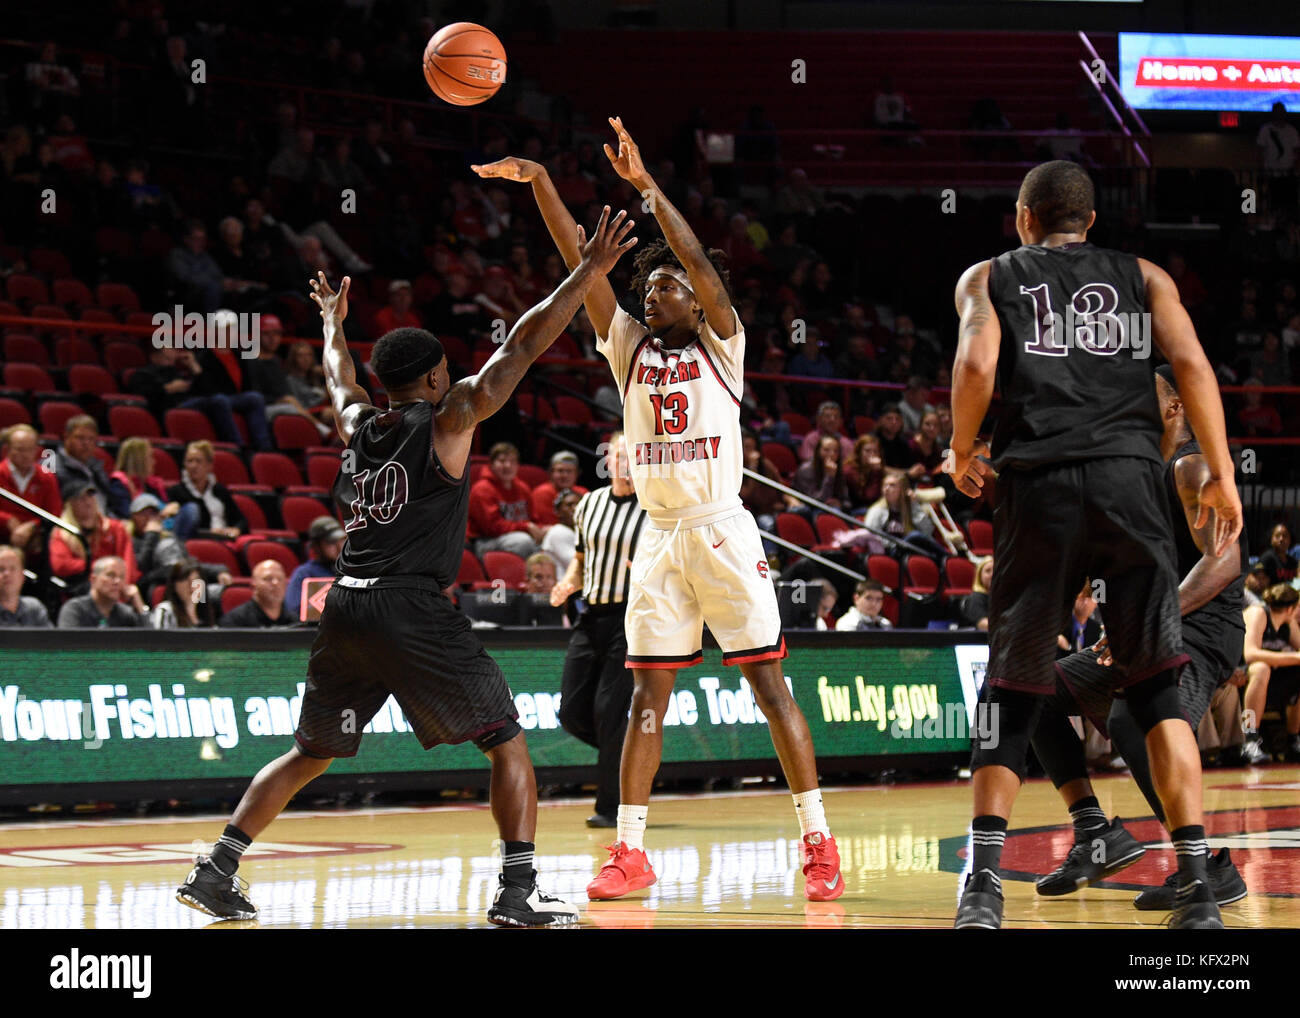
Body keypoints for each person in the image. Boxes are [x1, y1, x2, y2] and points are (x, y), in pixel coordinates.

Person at [178, 206, 635, 928]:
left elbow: (336, 379)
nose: (457, 378)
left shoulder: (360, 425)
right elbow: (520, 344)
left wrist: (332, 322)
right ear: (431, 380)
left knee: (309, 752)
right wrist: (590, 270)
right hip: (409, 607)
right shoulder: (449, 417)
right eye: (448, 371)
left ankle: (217, 869)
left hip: (347, 605)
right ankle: (518, 894)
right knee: (506, 740)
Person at [475, 120, 843, 904]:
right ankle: (630, 851)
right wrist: (541, 178)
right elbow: (584, 260)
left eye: (664, 285)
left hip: (719, 526)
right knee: (647, 695)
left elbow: (706, 266)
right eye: (647, 288)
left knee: (771, 689)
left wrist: (646, 187)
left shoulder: (724, 342)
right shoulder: (627, 347)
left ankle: (817, 838)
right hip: (659, 539)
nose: (652, 292)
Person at [944, 160, 1242, 930]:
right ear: (1090, 223)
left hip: (1038, 485)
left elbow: (977, 362)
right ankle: (1199, 885)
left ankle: (982, 888)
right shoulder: (1144, 276)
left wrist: (960, 446)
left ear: (1022, 217)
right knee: (1154, 689)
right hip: (1131, 486)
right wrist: (1225, 475)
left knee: (1011, 688)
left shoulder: (990, 276)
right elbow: (1194, 366)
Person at [1028, 365, 1249, 910]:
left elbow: (1224, 561)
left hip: (1201, 632)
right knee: (1024, 689)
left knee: (1137, 719)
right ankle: (1094, 833)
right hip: (1148, 631)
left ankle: (1203, 871)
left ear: (1173, 408)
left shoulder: (1191, 465)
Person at [550, 433, 646, 828]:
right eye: (616, 454)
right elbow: (580, 560)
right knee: (571, 712)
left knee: (609, 712)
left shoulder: (655, 509)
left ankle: (610, 807)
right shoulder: (588, 503)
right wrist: (568, 582)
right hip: (591, 617)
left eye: (630, 455)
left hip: (631, 618)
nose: (622, 461)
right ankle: (629, 755)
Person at [1239, 584, 1300, 765]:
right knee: (1261, 668)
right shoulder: (1258, 614)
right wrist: (1293, 657)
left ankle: (1293, 740)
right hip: (1238, 673)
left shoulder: (1288, 623)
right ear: (1291, 608)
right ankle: (1249, 740)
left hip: (1269, 681)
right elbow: (1250, 654)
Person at [49, 481, 140, 590]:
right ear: (70, 504)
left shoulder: (114, 528)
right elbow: (60, 565)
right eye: (81, 498)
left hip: (117, 586)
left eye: (90, 496)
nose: (88, 502)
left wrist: (123, 586)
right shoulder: (63, 533)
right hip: (82, 588)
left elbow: (128, 562)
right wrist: (99, 567)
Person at [468, 442, 542, 559]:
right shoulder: (482, 489)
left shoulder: (522, 487)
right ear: (491, 465)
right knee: (524, 542)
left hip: (517, 535)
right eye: (502, 461)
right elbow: (492, 528)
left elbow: (533, 519)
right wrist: (526, 527)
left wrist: (543, 530)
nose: (507, 465)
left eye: (512, 462)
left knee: (552, 538)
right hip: (485, 541)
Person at [166, 441, 247, 541]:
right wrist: (211, 532)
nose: (193, 466)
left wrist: (236, 529)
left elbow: (241, 520)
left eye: (198, 461)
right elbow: (181, 527)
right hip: (199, 541)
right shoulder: (176, 492)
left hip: (224, 540)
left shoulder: (220, 490)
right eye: (189, 461)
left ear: (209, 465)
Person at [0, 423, 62, 551]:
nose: (26, 455)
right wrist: (7, 520)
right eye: (20, 449)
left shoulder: (46, 477)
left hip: (35, 539)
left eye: (30, 449)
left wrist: (33, 525)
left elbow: (54, 512)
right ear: (7, 450)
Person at [57, 556, 147, 627]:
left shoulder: (125, 614)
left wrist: (139, 605)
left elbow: (150, 645)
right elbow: (68, 647)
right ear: (93, 579)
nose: (117, 581)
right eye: (111, 575)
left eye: (122, 577)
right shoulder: (74, 609)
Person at [53, 416, 114, 517]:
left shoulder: (96, 467)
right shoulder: (51, 467)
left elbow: (109, 503)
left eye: (91, 439)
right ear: (66, 437)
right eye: (80, 438)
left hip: (103, 525)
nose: (86, 443)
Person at [286, 516, 342, 616]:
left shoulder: (352, 570)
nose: (339, 547)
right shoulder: (304, 573)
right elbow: (293, 611)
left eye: (341, 540)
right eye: (331, 543)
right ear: (317, 546)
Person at [218, 559, 294, 628]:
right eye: (268, 579)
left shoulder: (295, 621)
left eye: (280, 579)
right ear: (253, 585)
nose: (275, 583)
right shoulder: (234, 621)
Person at [107, 437, 171, 519]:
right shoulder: (118, 484)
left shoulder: (151, 484)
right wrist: (162, 513)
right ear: (139, 460)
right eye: (150, 457)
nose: (154, 462)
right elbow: (128, 515)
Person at [153, 558, 219, 628]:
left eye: (196, 580)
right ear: (174, 584)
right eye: (186, 580)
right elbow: (159, 637)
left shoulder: (207, 612)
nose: (192, 586)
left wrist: (192, 612)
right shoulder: (164, 611)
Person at [530, 451, 589, 526]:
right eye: (560, 471)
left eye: (569, 471)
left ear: (577, 473)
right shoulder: (542, 493)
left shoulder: (583, 492)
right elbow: (548, 525)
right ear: (551, 473)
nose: (565, 475)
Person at [792, 433, 849, 509]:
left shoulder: (837, 469)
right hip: (809, 509)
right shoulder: (805, 470)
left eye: (835, 451)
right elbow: (816, 503)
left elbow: (846, 500)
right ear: (818, 451)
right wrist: (829, 477)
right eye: (826, 450)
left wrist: (840, 503)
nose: (831, 454)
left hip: (832, 509)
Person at [0, 544, 52, 627]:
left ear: (22, 575)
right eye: (1, 569)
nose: (7, 574)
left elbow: (51, 639)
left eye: (13, 568)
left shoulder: (34, 608)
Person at [540, 489, 581, 572]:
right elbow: (577, 564)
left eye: (578, 504)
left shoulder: (581, 532)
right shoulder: (558, 532)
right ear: (558, 512)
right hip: (560, 583)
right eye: (569, 505)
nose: (575, 508)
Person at [961, 557, 994, 630]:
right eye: (988, 571)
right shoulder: (976, 598)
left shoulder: (1001, 596)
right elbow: (983, 625)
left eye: (995, 570)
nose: (992, 574)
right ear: (979, 576)